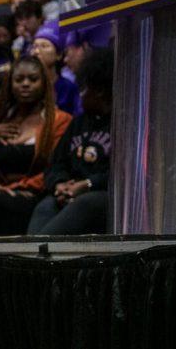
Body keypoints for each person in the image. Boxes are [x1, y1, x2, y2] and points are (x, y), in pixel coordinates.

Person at [0, 56, 72, 237]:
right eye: (19, 80)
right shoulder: (2, 117)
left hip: (34, 197)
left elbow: (56, 169)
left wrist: (14, 188)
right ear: (10, 84)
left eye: (33, 79)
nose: (25, 84)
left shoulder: (58, 121)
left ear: (44, 84)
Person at [28, 47, 112, 235]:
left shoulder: (120, 124)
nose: (80, 95)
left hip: (101, 194)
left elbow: (122, 173)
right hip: (68, 192)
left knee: (84, 203)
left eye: (84, 89)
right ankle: (29, 260)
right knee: (44, 207)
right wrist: (60, 184)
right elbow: (55, 164)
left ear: (99, 91)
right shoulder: (78, 123)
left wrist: (88, 184)